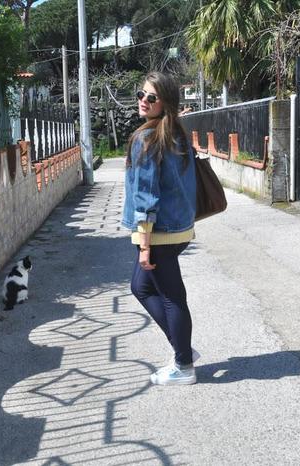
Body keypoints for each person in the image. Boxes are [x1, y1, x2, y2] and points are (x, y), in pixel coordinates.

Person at [122, 71, 198, 386]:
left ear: (164, 102)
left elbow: (145, 197)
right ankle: (184, 351)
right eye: (141, 95)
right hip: (179, 229)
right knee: (141, 287)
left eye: (150, 97)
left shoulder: (147, 138)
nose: (143, 101)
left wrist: (144, 245)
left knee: (171, 297)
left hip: (160, 232)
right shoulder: (176, 133)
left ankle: (183, 365)